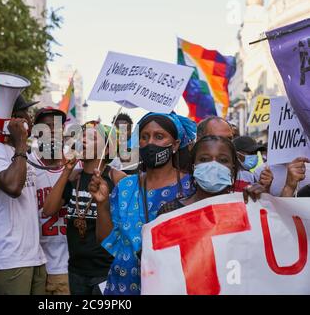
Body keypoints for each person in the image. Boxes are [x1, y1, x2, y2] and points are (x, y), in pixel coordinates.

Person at [88, 112, 197, 295]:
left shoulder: (191, 187)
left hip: (174, 286)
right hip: (123, 286)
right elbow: (105, 239)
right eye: (144, 137)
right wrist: (102, 204)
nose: (150, 143)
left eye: (159, 136)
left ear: (175, 145)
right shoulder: (125, 187)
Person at [43, 120, 126, 295]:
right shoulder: (73, 177)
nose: (84, 140)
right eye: (82, 137)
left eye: (92, 137)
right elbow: (48, 210)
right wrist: (66, 171)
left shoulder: (118, 179)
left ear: (107, 148)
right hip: (75, 270)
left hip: (106, 270)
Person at [0, 95, 47, 295]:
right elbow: (13, 186)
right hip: (7, 259)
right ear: (13, 120)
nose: (31, 119)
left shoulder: (25, 153)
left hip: (33, 257)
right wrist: (20, 144)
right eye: (26, 114)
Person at [158, 135, 265, 215]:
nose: (213, 165)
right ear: (193, 166)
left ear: (232, 169)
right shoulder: (171, 212)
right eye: (204, 159)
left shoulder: (246, 207)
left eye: (223, 160)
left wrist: (263, 200)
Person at [31, 107, 71, 295]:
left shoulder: (77, 167)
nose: (52, 131)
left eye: (56, 126)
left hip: (68, 267)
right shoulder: (26, 168)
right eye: (46, 126)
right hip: (36, 266)